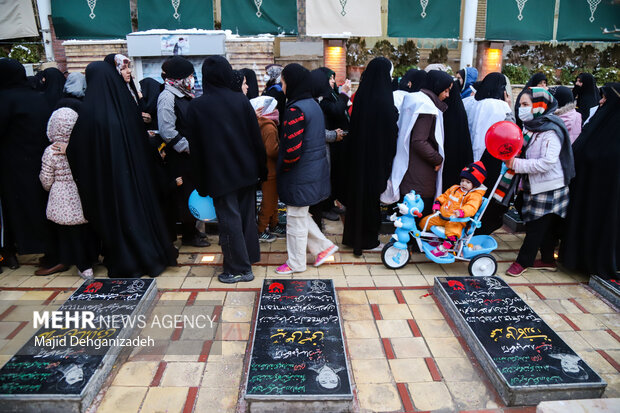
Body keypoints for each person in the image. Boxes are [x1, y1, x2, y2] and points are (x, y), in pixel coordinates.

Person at [67, 61, 178, 277]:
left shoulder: (88, 113)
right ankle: (150, 255)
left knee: (117, 222)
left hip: (107, 184)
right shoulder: (127, 106)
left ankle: (126, 259)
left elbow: (77, 151)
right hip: (136, 180)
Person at [186, 55, 266, 283]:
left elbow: (197, 148)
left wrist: (200, 182)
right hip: (247, 170)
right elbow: (255, 139)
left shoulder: (197, 106)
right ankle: (248, 257)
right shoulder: (240, 100)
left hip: (220, 175)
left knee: (229, 221)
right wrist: (261, 171)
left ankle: (238, 269)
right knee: (245, 218)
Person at [274, 63, 337, 274]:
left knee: (295, 220)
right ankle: (324, 247)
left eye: (282, 82)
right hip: (313, 171)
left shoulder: (295, 109)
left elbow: (292, 150)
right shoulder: (312, 104)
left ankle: (296, 263)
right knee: (300, 214)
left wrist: (282, 167)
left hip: (299, 173)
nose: (281, 86)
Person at [504, 87, 575, 277]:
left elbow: (547, 163)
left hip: (549, 187)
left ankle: (522, 262)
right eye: (520, 104)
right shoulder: (531, 126)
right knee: (544, 226)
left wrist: (516, 163)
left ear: (539, 106)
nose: (522, 108)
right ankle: (547, 259)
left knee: (536, 227)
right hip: (533, 184)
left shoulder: (551, 130)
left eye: (526, 105)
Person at [0, 58, 61, 273]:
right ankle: (53, 252)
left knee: (25, 209)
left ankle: (45, 253)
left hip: (16, 166)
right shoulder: (36, 96)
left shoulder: (5, 99)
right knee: (43, 207)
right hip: (40, 161)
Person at [560, 83, 620, 279]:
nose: (601, 101)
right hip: (586, 191)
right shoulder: (599, 124)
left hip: (605, 197)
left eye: (605, 98)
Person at [343, 57, 398, 256]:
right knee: (370, 200)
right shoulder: (385, 99)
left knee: (357, 198)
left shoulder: (362, 96)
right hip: (375, 159)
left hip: (358, 157)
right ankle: (367, 239)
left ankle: (352, 237)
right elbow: (390, 134)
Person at [383, 70, 454, 215]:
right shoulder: (426, 107)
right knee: (417, 215)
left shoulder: (415, 99)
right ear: (437, 86)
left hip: (409, 167)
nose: (447, 95)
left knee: (406, 214)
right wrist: (437, 159)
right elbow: (419, 141)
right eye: (446, 90)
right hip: (420, 173)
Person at [40, 108, 99, 279]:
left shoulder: (51, 151)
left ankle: (84, 267)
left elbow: (46, 178)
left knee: (71, 235)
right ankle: (92, 258)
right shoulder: (81, 146)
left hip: (61, 197)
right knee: (87, 230)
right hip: (82, 193)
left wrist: (49, 188)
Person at [157, 56, 209, 248]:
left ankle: (193, 229)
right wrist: (187, 147)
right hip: (180, 158)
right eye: (189, 76)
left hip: (190, 157)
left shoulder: (184, 94)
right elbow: (167, 130)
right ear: (179, 77)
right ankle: (188, 234)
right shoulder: (167, 97)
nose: (191, 80)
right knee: (184, 195)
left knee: (192, 192)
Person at [463, 72, 515, 235]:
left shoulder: (474, 102)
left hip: (472, 154)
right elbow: (510, 129)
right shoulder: (501, 106)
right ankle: (479, 228)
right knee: (486, 192)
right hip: (492, 155)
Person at [309, 67, 350, 226]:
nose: (333, 81)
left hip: (337, 139)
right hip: (330, 141)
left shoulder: (331, 94)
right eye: (331, 79)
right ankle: (325, 207)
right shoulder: (323, 98)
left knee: (335, 174)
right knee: (329, 174)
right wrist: (344, 94)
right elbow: (337, 110)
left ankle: (331, 203)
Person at [419, 161, 487, 257]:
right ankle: (437, 239)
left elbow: (471, 207)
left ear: (475, 185)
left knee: (453, 233)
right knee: (425, 222)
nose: (464, 184)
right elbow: (445, 196)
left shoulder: (474, 196)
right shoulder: (455, 188)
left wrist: (462, 212)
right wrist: (438, 203)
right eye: (463, 180)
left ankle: (444, 248)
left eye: (468, 182)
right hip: (442, 216)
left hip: (456, 220)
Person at [251, 97, 281, 243]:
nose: (277, 111)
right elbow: (271, 151)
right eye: (274, 108)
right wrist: (283, 150)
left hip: (267, 169)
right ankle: (261, 230)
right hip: (271, 170)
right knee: (269, 201)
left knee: (273, 199)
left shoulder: (261, 123)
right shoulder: (268, 126)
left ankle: (274, 224)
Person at [442, 77, 474, 190]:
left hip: (445, 161)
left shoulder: (443, 110)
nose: (447, 95)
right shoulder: (459, 110)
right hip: (456, 163)